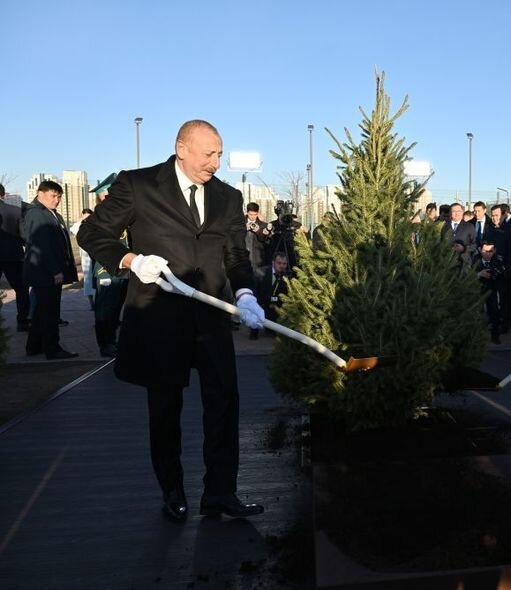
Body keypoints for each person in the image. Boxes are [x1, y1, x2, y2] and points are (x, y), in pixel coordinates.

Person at [78, 119, 266, 522]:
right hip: (158, 319)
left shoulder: (229, 197)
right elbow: (93, 234)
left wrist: (247, 293)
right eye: (208, 153)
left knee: (224, 403)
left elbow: (235, 254)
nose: (216, 162)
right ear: (181, 148)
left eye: (219, 154)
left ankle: (220, 492)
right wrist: (131, 259)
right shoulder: (138, 185)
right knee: (165, 409)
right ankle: (172, 490)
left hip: (212, 318)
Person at [23, 181, 79, 359]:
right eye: (53, 195)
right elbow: (42, 245)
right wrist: (55, 270)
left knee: (42, 311)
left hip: (47, 271)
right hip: (45, 272)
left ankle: (34, 346)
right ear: (40, 194)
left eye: (59, 196)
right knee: (50, 312)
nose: (57, 199)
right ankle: (52, 349)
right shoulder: (36, 213)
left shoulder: (51, 213)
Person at [89, 174, 129, 357]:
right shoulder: (99, 217)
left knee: (118, 307)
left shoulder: (123, 213)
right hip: (107, 270)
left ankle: (114, 340)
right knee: (106, 308)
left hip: (125, 270)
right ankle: (106, 343)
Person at [0, 183, 30, 331]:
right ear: (3, 195)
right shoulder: (15, 211)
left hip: (11, 255)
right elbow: (24, 236)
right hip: (14, 255)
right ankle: (23, 322)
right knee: (22, 289)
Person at [70, 208, 95, 311]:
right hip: (86, 258)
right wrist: (81, 219)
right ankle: (91, 303)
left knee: (98, 280)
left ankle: (99, 301)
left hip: (97, 256)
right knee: (88, 281)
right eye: (85, 215)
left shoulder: (96, 225)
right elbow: (73, 229)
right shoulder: (79, 226)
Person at [244, 202, 269, 271]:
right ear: (247, 212)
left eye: (255, 214)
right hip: (242, 259)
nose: (252, 217)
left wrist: (258, 231)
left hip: (257, 260)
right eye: (250, 214)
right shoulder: (239, 223)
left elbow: (265, 241)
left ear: (258, 213)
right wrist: (243, 229)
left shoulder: (263, 225)